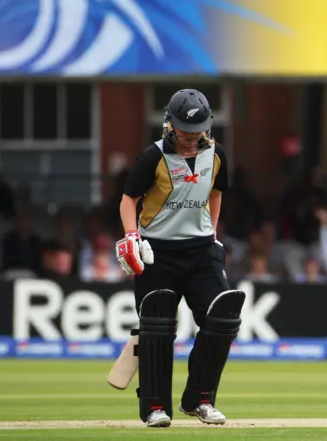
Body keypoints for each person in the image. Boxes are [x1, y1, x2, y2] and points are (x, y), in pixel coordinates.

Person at [115, 89, 245, 428]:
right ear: (170, 125)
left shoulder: (217, 155)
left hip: (201, 250)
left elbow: (215, 194)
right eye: (185, 132)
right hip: (157, 250)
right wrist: (132, 236)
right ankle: (155, 407)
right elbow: (128, 200)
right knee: (157, 326)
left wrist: (213, 237)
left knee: (223, 318)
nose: (191, 138)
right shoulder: (152, 157)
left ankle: (200, 399)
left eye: (197, 131)